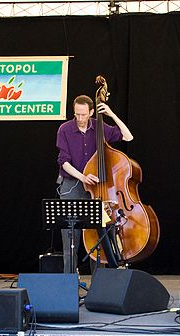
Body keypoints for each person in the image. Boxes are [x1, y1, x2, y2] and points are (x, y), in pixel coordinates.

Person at [56, 95, 133, 273]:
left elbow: (128, 137)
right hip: (72, 185)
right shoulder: (64, 129)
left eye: (84, 115)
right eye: (77, 115)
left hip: (97, 189)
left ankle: (99, 285)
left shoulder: (99, 127)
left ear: (91, 112)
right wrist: (83, 177)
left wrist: (112, 114)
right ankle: (69, 283)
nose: (80, 119)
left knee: (98, 239)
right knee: (70, 239)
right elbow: (63, 161)